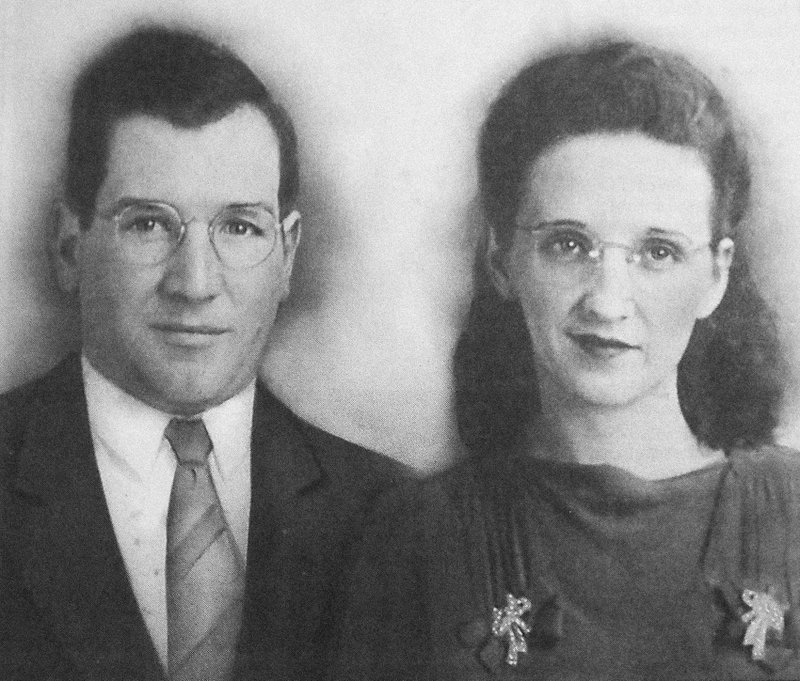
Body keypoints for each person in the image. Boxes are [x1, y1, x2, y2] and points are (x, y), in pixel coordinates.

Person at [331, 39, 800, 680]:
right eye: (569, 244)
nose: (608, 302)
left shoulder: (793, 512)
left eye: (657, 251)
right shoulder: (416, 537)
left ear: (716, 277)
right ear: (502, 261)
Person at [0, 26, 407, 681]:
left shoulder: (389, 514)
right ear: (69, 244)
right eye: (148, 223)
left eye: (239, 227)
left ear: (288, 255)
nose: (194, 283)